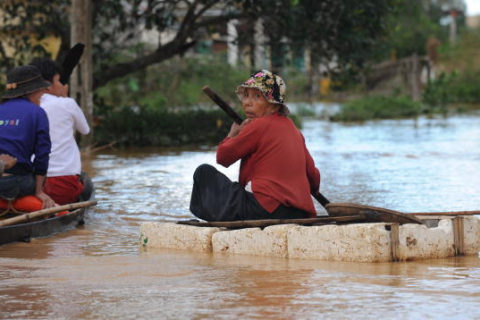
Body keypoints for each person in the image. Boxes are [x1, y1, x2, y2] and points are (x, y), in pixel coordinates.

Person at [190, 70, 321, 221]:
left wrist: (232, 134)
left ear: (274, 106)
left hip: (264, 209)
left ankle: (221, 223)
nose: (247, 102)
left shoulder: (259, 125)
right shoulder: (294, 130)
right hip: (297, 212)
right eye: (246, 96)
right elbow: (313, 177)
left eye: (257, 96)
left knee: (203, 173)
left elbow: (223, 157)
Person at [30, 58, 90, 205]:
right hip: (63, 183)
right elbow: (85, 130)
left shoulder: (26, 107)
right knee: (87, 182)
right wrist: (65, 99)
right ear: (48, 86)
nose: (62, 85)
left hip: (30, 183)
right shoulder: (66, 103)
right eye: (58, 81)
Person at [0, 65, 55, 208]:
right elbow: (42, 155)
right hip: (15, 183)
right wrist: (39, 191)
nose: (45, 91)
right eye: (41, 88)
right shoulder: (37, 112)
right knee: (29, 178)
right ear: (30, 90)